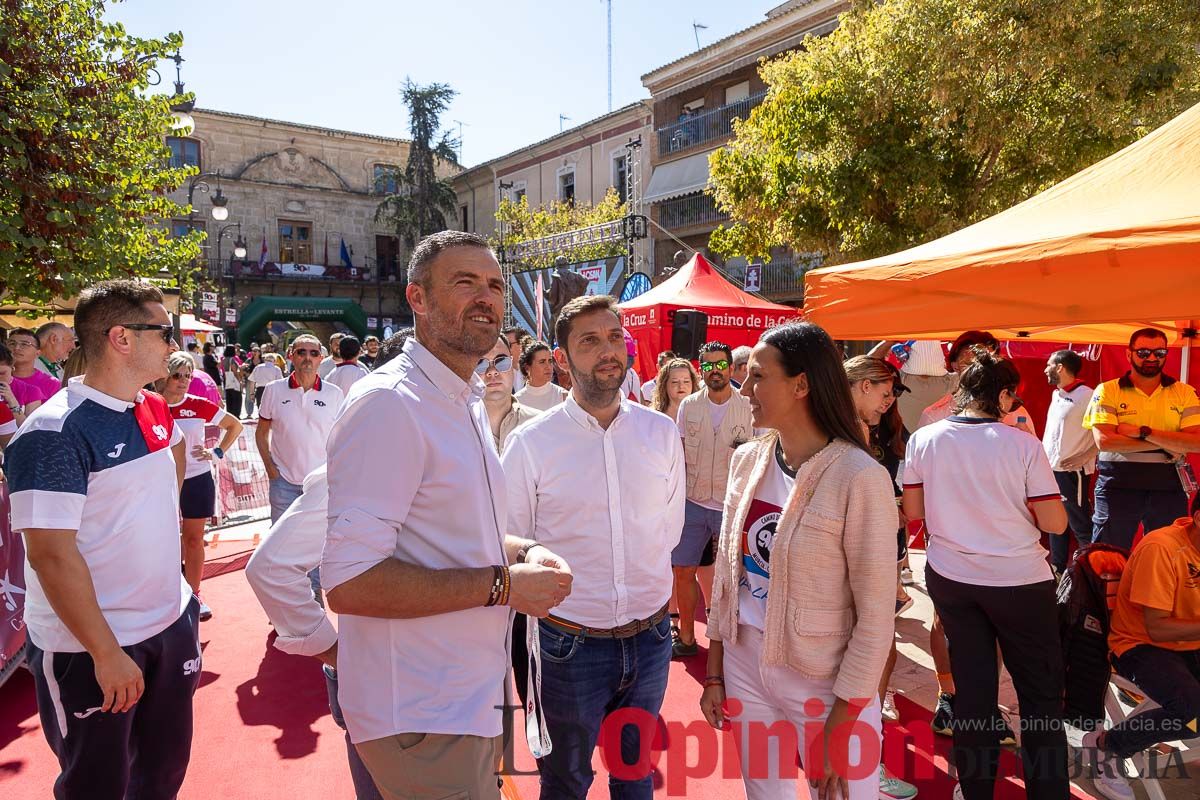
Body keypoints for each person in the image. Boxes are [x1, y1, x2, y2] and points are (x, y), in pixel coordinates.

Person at [322, 231, 572, 800]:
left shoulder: (462, 398)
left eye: (494, 286)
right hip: (421, 711)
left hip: (467, 695)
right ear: (417, 298)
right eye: (465, 283)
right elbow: (350, 582)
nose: (486, 298)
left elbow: (449, 535)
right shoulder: (390, 404)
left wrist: (520, 551)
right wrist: (507, 585)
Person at [7, 280, 199, 799]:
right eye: (165, 330)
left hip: (168, 624)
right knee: (96, 786)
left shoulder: (152, 407)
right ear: (121, 338)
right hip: (92, 648)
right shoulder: (53, 432)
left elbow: (173, 465)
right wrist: (106, 652)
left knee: (161, 777)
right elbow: (49, 554)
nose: (173, 343)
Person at [699, 322, 898, 800]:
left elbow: (875, 618)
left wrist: (840, 724)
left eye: (758, 376)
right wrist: (715, 669)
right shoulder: (747, 460)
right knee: (764, 793)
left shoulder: (859, 477)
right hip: (746, 663)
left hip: (827, 679)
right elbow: (729, 579)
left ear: (801, 384)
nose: (743, 387)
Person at [501, 294, 686, 799]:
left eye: (612, 337)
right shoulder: (530, 444)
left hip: (650, 641)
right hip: (566, 647)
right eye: (589, 341)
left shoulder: (661, 432)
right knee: (565, 781)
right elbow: (511, 543)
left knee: (635, 774)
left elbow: (668, 531)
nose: (608, 351)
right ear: (561, 359)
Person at [246, 332, 414, 800]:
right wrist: (335, 653)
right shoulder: (355, 468)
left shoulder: (459, 446)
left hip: (450, 679)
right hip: (377, 674)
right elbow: (269, 570)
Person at [902, 348, 1069, 800]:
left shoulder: (925, 438)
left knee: (973, 691)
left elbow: (913, 512)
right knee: (1039, 696)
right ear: (1002, 394)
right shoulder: (1022, 444)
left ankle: (975, 789)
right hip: (1019, 580)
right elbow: (1055, 523)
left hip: (952, 576)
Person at [1083, 493, 1200, 800]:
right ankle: (1107, 745)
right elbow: (1157, 628)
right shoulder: (1162, 548)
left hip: (1189, 641)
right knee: (1192, 713)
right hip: (1140, 645)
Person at [844, 356, 920, 800]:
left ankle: (863, 757)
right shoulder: (837, 437)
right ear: (859, 387)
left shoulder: (882, 432)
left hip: (878, 559)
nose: (891, 398)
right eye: (885, 389)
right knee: (859, 656)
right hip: (852, 563)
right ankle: (864, 765)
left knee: (877, 647)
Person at [1083, 327, 1200, 551]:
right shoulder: (1108, 390)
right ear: (1129, 354)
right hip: (1117, 482)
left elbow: (1195, 443)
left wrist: (1144, 432)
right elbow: (1105, 441)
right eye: (1144, 352)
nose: (1152, 358)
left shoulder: (1184, 392)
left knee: (1169, 553)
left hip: (1168, 482)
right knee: (1107, 554)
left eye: (1160, 353)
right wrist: (1169, 443)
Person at [671, 341, 753, 659]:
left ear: (731, 368)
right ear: (700, 369)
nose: (714, 370)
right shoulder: (688, 406)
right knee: (682, 570)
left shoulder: (748, 406)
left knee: (735, 576)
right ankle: (687, 637)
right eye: (707, 365)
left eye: (720, 364)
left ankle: (733, 643)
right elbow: (677, 454)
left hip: (733, 503)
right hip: (693, 501)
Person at [157, 351, 243, 621]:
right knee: (160, 542)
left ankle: (194, 595)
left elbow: (235, 426)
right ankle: (163, 594)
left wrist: (217, 452)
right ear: (164, 375)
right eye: (177, 375)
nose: (183, 381)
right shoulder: (149, 403)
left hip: (196, 478)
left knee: (194, 540)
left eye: (188, 375)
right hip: (158, 482)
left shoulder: (198, 404)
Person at [255, 334, 344, 523]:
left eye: (314, 353)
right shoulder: (273, 390)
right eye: (301, 352)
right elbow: (261, 433)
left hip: (320, 486)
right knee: (280, 544)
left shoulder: (334, 394)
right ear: (291, 355)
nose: (307, 357)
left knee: (318, 543)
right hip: (283, 483)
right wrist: (271, 469)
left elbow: (341, 439)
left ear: (321, 357)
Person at [1042, 349, 1099, 574]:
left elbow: (1102, 432)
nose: (1045, 369)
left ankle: (1091, 573)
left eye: (1048, 364)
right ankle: (1057, 570)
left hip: (1073, 473)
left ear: (1060, 367)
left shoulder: (1089, 395)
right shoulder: (1057, 394)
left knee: (1080, 524)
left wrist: (1084, 457)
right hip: (1050, 471)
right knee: (1056, 523)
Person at [918, 331, 1037, 436]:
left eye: (989, 363)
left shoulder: (1016, 413)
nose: (982, 370)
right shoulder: (934, 415)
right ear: (955, 366)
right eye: (971, 364)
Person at [480, 336, 540, 452]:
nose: (492, 371)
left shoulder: (541, 426)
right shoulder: (453, 431)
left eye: (502, 361)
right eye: (480, 363)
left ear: (513, 365)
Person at [7, 327, 63, 401]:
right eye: (12, 343)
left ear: (37, 353)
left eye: (24, 344)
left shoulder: (52, 384)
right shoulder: (2, 378)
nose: (17, 348)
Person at [0, 341, 45, 429]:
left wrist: (12, 402)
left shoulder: (31, 391)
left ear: (12, 367)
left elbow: (29, 430)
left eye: (2, 373)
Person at [515, 340, 567, 411]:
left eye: (550, 361)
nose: (548, 366)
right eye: (542, 362)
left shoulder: (563, 396)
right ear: (527, 368)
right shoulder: (516, 402)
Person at [502, 325, 530, 392]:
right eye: (503, 345)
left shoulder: (536, 369)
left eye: (508, 344)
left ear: (521, 344)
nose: (503, 349)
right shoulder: (499, 372)